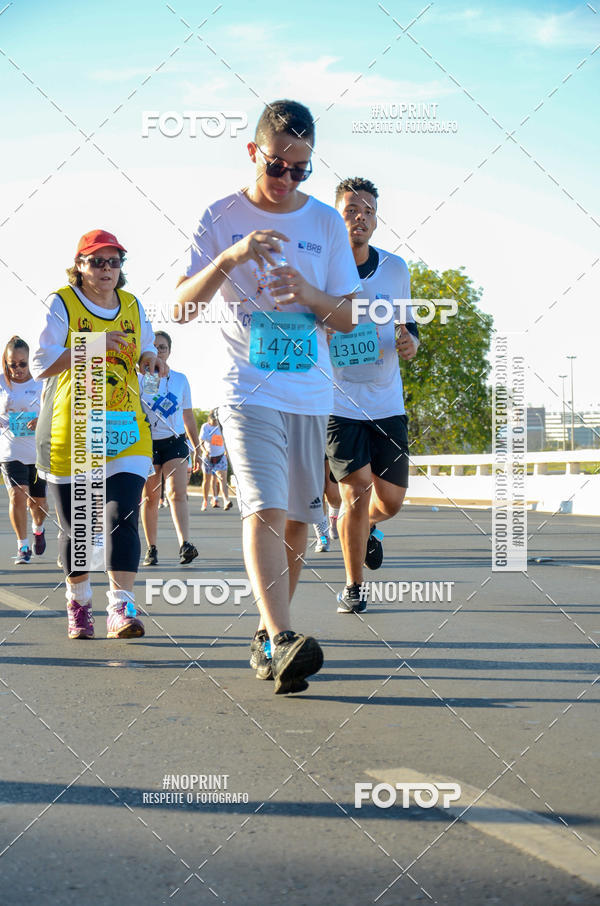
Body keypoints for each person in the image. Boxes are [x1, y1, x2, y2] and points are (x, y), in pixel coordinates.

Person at [174, 99, 358, 694]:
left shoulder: (326, 223)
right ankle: (282, 636)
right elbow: (181, 306)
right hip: (245, 387)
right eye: (279, 165)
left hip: (308, 389)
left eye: (302, 169)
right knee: (264, 505)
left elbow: (349, 318)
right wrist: (230, 258)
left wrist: (306, 291)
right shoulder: (220, 214)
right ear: (254, 153)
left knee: (300, 523)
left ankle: (266, 634)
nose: (288, 179)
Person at [32, 229, 166, 639]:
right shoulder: (63, 303)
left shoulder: (132, 304)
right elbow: (41, 362)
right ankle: (79, 602)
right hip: (69, 430)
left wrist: (149, 360)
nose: (106, 269)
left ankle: (120, 610)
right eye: (96, 261)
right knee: (77, 527)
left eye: (114, 261)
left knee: (118, 515)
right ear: (80, 265)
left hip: (125, 427)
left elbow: (143, 347)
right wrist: (92, 344)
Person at [326, 177, 419, 614]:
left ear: (376, 220)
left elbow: (409, 328)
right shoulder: (323, 271)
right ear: (337, 216)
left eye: (366, 210)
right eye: (350, 209)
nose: (358, 216)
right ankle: (354, 586)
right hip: (339, 402)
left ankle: (360, 529)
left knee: (391, 502)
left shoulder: (395, 269)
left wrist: (409, 344)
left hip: (387, 403)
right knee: (356, 493)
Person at [140, 330, 201, 566]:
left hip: (175, 440)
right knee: (151, 497)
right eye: (153, 347)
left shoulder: (180, 379)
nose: (158, 351)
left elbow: (188, 415)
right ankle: (151, 548)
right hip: (148, 441)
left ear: (169, 351)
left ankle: (185, 544)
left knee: (177, 493)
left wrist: (196, 446)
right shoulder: (139, 379)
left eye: (162, 347)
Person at [0, 336, 48, 563]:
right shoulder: (1, 383)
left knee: (38, 503)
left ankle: (38, 529)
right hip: (11, 450)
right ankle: (23, 546)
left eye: (22, 363)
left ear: (29, 361)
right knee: (18, 496)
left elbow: (54, 412)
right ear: (6, 363)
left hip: (38, 451)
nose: (17, 369)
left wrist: (41, 420)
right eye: (12, 364)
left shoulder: (41, 383)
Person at [199, 409, 232, 511]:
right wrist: (204, 450)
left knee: (222, 479)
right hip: (208, 457)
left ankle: (226, 500)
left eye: (216, 421)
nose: (215, 423)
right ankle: (205, 500)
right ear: (209, 419)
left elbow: (227, 440)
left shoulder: (221, 427)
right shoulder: (205, 427)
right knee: (207, 480)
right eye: (213, 421)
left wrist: (227, 451)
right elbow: (201, 441)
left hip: (220, 456)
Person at [311, 456, 342, 552]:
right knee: (316, 490)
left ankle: (334, 520)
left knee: (334, 494)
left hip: (330, 443)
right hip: (308, 443)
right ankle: (322, 535)